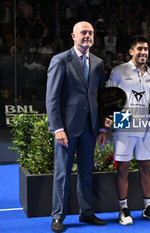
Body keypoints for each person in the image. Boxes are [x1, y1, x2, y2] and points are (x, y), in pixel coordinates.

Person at [46, 21, 107, 232]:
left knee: (86, 173)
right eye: (83, 33)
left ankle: (86, 213)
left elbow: (100, 98)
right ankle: (57, 216)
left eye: (90, 33)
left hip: (90, 128)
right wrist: (57, 128)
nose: (87, 36)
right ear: (73, 36)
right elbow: (52, 98)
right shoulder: (60, 60)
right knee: (62, 173)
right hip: (66, 129)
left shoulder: (98, 63)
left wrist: (101, 128)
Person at [107, 36, 150, 225]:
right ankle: (123, 209)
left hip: (146, 126)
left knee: (145, 167)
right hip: (123, 123)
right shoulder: (118, 71)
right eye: (139, 49)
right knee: (123, 168)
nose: (143, 52)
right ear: (131, 51)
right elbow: (109, 98)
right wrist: (108, 116)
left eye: (146, 49)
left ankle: (148, 207)